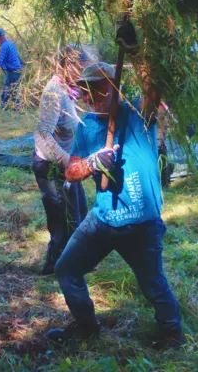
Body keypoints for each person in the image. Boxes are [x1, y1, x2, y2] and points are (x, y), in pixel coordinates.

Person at [47, 61, 184, 349]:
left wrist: (138, 52)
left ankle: (172, 334)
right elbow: (70, 172)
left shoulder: (138, 114)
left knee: (153, 284)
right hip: (103, 219)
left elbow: (154, 86)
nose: (90, 97)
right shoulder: (87, 129)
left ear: (115, 87)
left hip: (141, 222)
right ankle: (86, 327)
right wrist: (91, 163)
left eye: (96, 89)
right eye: (85, 91)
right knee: (66, 270)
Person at [34, 45, 90, 275]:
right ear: (67, 66)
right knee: (63, 221)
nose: (83, 74)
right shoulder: (53, 93)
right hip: (50, 165)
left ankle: (75, 262)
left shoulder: (69, 90)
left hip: (68, 165)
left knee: (81, 214)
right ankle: (55, 267)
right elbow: (42, 134)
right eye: (80, 69)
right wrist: (67, 160)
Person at [0, 28, 24, 109]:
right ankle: (8, 108)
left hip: (13, 72)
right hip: (18, 70)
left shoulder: (4, 47)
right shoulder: (10, 43)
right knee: (12, 91)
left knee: (8, 92)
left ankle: (8, 109)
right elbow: (17, 57)